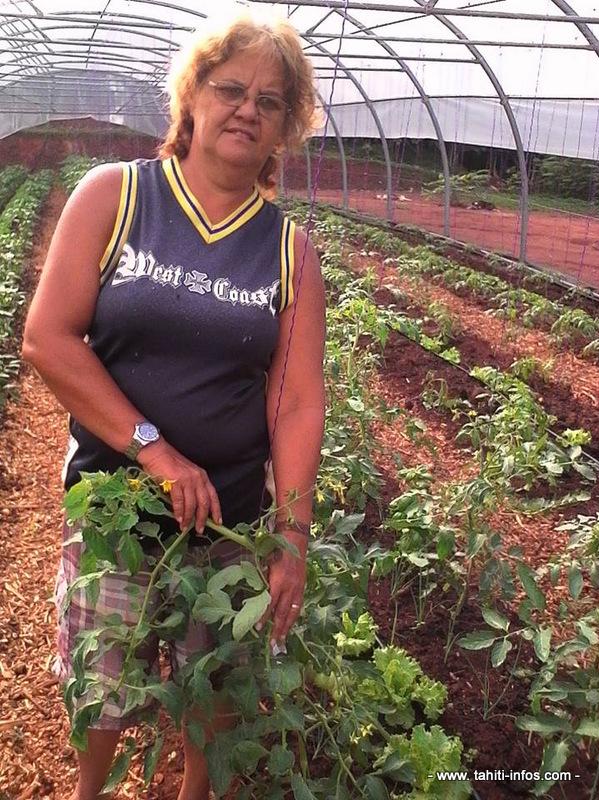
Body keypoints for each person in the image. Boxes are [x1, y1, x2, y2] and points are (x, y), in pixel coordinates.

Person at [22, 10, 325, 800]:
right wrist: (154, 448)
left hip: (229, 523)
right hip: (120, 505)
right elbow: (49, 340)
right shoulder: (116, 197)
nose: (248, 110)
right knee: (104, 686)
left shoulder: (289, 250)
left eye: (271, 102)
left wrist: (291, 532)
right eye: (231, 89)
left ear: (285, 129)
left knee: (214, 697)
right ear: (191, 96)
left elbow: (294, 401)